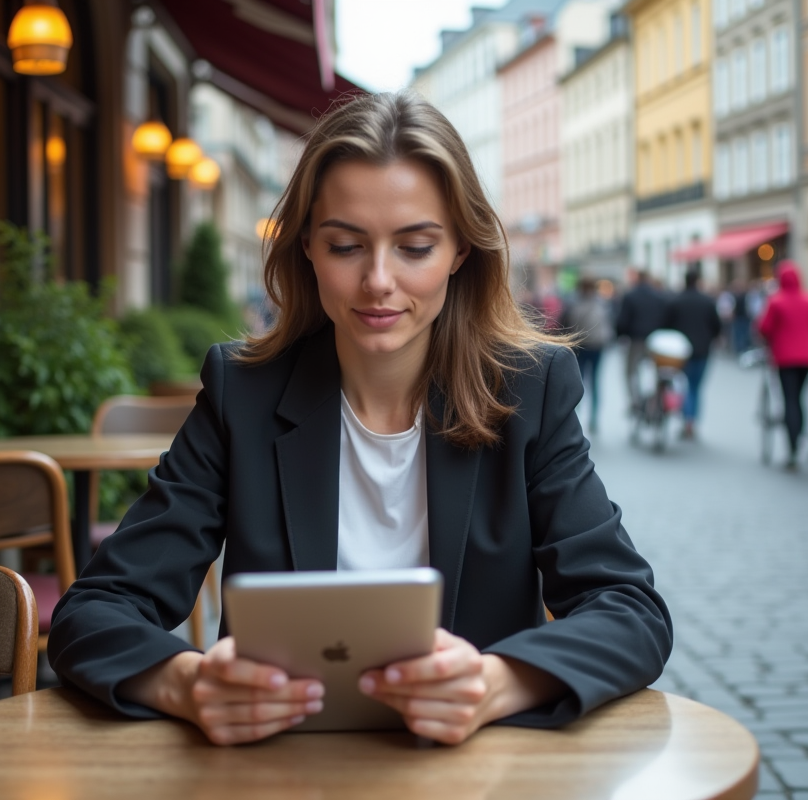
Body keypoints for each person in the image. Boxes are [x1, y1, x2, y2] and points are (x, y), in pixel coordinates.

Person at [47, 92, 671, 747]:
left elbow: (631, 612)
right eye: (346, 246)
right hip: (278, 774)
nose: (378, 280)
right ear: (308, 247)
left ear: (460, 250)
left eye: (415, 247)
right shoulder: (243, 394)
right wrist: (184, 683)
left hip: (476, 775)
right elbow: (94, 610)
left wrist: (496, 683)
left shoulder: (530, 391)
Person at [757, 262, 808, 470]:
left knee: (790, 399)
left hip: (784, 357)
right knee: (800, 398)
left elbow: (764, 327)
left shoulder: (776, 301)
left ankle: (793, 447)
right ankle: (800, 435)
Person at [663, 271, 721, 440]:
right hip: (702, 349)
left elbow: (666, 325)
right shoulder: (707, 301)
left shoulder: (675, 301)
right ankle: (691, 421)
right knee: (696, 387)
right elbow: (716, 326)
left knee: (682, 385)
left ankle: (685, 419)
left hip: (680, 351)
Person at [559, 276, 614, 433]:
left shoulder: (572, 303)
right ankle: (594, 418)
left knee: (578, 381)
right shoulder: (602, 303)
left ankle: (575, 417)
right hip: (598, 346)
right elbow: (609, 325)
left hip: (580, 346)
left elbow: (564, 325)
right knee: (596, 381)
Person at [615, 270, 668, 410]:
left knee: (630, 371)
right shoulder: (659, 297)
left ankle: (635, 401)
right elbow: (666, 319)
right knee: (659, 371)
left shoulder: (630, 296)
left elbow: (622, 321)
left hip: (636, 339)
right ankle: (656, 400)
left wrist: (620, 335)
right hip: (656, 341)